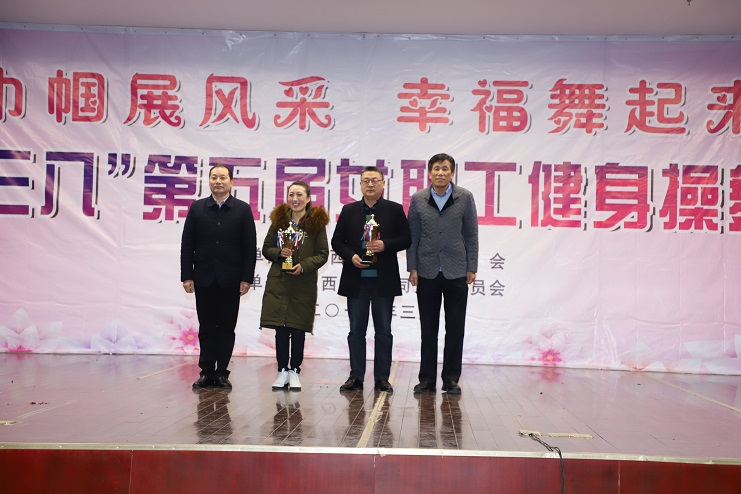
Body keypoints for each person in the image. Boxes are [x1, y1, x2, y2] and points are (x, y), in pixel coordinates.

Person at [332, 166, 411, 393]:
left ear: (383, 183)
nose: (370, 184)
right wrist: (351, 256)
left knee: (383, 331)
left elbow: (407, 238)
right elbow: (336, 242)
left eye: (374, 180)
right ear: (360, 184)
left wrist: (386, 245)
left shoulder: (394, 209)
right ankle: (356, 376)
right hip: (356, 280)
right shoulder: (349, 210)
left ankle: (382, 378)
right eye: (366, 180)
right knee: (356, 331)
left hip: (383, 281)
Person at [407, 153, 479, 395]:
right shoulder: (418, 199)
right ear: (429, 172)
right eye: (436, 168)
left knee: (455, 329)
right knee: (428, 330)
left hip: (456, 270)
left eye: (445, 169)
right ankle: (427, 379)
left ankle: (451, 379)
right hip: (426, 270)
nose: (440, 173)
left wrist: (471, 266)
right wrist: (412, 267)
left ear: (452, 173)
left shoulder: (465, 197)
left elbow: (471, 234)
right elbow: (413, 236)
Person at [181, 165, 257, 390]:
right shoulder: (197, 208)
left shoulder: (242, 209)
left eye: (223, 177)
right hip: (203, 277)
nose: (218, 181)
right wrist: (187, 275)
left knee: (226, 327)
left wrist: (246, 278)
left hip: (231, 279)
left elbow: (249, 247)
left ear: (231, 182)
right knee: (206, 327)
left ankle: (222, 372)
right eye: (214, 177)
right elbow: (187, 244)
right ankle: (206, 372)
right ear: (209, 181)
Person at [260, 181, 329, 391]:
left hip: (303, 283)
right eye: (291, 194)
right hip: (279, 281)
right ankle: (282, 370)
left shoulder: (316, 224)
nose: (295, 199)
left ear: (308, 199)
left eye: (299, 194)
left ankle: (295, 371)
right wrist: (280, 253)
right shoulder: (279, 221)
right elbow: (266, 248)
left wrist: (304, 266)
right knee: (281, 329)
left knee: (298, 329)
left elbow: (322, 254)